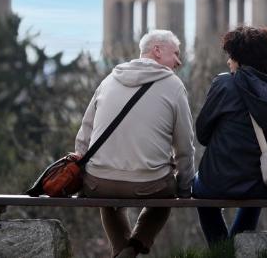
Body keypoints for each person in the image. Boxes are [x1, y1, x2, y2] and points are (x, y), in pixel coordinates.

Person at [74, 30, 195, 257]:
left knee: (108, 200)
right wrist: (185, 188)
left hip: (98, 183)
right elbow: (185, 148)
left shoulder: (109, 79)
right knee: (165, 198)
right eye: (176, 54)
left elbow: (83, 137)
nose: (179, 61)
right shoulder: (174, 86)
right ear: (157, 50)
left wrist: (82, 174)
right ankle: (131, 250)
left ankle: (121, 252)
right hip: (150, 183)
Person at [193, 26, 267, 246]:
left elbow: (202, 133)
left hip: (217, 180)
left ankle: (223, 250)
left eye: (231, 57)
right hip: (261, 182)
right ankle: (236, 249)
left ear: (240, 59)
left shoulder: (225, 84)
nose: (229, 62)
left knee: (197, 188)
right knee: (254, 193)